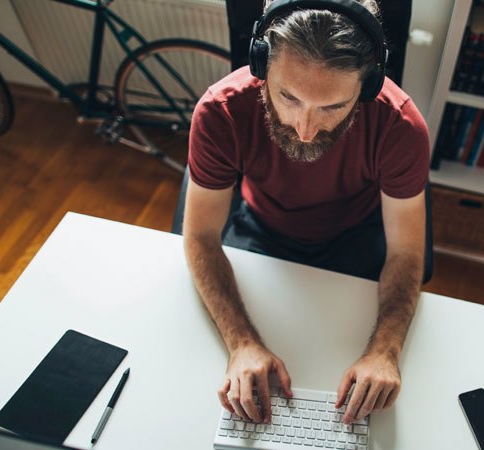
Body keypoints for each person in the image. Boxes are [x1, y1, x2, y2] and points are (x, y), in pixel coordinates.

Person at [183, 0, 429, 427]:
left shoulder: (400, 126)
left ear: (368, 85)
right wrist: (241, 343)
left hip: (357, 237)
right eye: (288, 96)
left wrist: (385, 351)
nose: (305, 128)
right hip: (260, 231)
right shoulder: (219, 111)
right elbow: (201, 235)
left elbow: (407, 252)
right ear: (262, 65)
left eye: (333, 107)